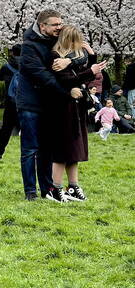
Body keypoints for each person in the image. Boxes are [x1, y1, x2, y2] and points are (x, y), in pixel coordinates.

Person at [43, 26, 106, 202]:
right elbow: (66, 80)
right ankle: (55, 188)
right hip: (62, 108)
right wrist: (90, 71)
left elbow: (82, 76)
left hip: (76, 107)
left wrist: (92, 58)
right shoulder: (55, 57)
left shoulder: (70, 59)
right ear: (69, 40)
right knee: (63, 148)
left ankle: (73, 186)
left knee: (75, 149)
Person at [15, 10, 71, 201]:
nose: (59, 27)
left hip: (49, 104)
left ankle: (47, 189)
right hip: (30, 103)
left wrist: (69, 60)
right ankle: (30, 191)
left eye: (60, 23)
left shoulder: (58, 42)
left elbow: (81, 54)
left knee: (47, 148)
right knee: (30, 149)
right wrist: (65, 92)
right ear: (42, 26)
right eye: (55, 24)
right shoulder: (29, 46)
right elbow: (41, 74)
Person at [0, 45, 22, 161]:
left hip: (10, 102)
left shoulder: (7, 66)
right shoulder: (28, 64)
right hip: (25, 102)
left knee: (6, 128)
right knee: (27, 128)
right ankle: (32, 154)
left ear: (13, 53)